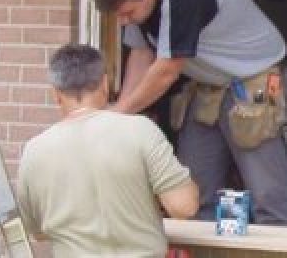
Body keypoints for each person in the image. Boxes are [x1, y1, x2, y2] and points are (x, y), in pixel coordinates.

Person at [90, 0, 287, 223]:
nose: (123, 21)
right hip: (210, 82)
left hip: (256, 73)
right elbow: (141, 55)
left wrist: (119, 113)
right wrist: (123, 114)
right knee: (194, 191)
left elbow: (165, 72)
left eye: (127, 13)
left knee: (269, 194)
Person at [17, 43, 198, 258]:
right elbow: (184, 207)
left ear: (56, 94)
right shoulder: (140, 130)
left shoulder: (34, 151)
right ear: (104, 83)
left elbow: (36, 231)